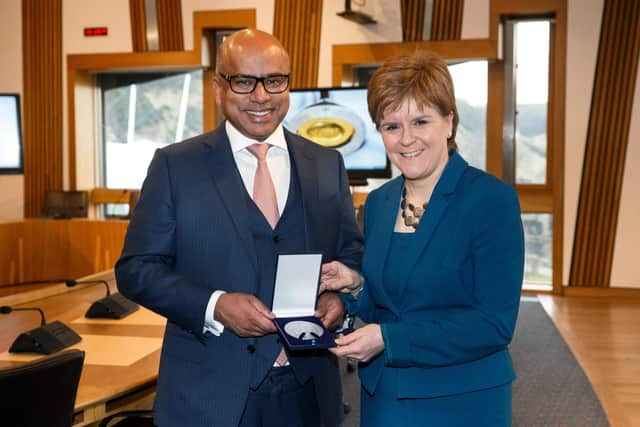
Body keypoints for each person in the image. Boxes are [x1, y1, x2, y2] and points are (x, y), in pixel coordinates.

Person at [115, 29, 363, 427]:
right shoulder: (175, 166)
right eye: (244, 82)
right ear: (218, 87)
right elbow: (136, 269)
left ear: (288, 84)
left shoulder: (327, 163)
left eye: (274, 80)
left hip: (309, 395)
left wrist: (339, 301)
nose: (261, 96)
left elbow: (351, 256)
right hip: (209, 395)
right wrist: (215, 305)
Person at [320, 50, 524, 427]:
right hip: (385, 395)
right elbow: (391, 301)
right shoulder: (379, 204)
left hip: (462, 398)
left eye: (420, 121)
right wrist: (356, 285)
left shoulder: (491, 201)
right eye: (391, 126)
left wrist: (389, 339)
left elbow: (493, 324)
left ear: (449, 122)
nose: (406, 139)